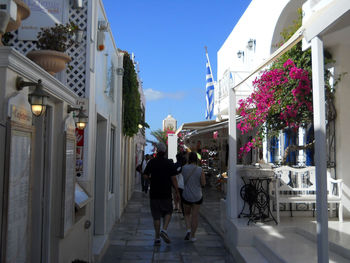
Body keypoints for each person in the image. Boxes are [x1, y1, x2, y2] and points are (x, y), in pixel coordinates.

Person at [143, 142, 180, 246]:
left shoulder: (151, 162)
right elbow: (174, 179)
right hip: (166, 193)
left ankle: (157, 238)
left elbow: (145, 175)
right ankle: (164, 229)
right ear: (164, 151)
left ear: (157, 150)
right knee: (168, 211)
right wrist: (177, 191)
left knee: (156, 216)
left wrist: (151, 179)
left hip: (154, 193)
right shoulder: (169, 163)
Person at [181, 151, 206, 242]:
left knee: (187, 214)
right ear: (196, 159)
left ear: (188, 159)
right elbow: (203, 183)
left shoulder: (183, 168)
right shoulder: (200, 169)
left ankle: (188, 229)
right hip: (197, 196)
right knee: (195, 216)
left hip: (186, 195)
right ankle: (193, 236)